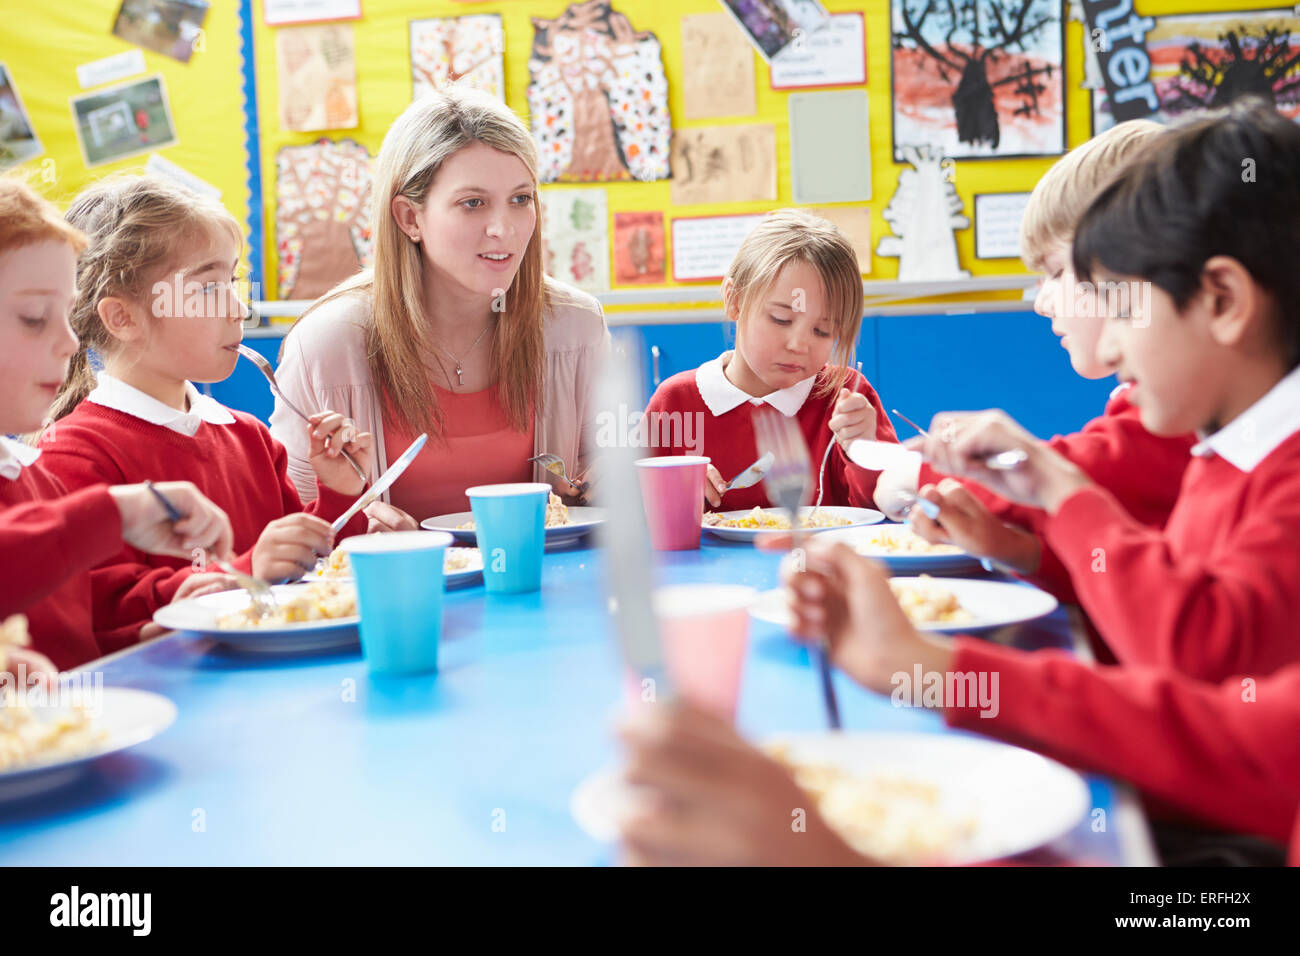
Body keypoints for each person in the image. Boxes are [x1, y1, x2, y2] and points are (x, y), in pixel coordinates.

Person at [38, 174, 374, 648]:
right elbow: (102, 614)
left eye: (233, 281)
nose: (240, 309)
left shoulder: (249, 437)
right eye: (208, 289)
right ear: (124, 317)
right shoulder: (74, 456)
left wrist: (340, 496)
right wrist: (243, 572)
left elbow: (313, 580)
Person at [874, 120, 1195, 606]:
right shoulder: (1152, 399)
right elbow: (1133, 579)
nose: (1043, 302)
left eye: (1058, 271)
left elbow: (1088, 477)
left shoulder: (1176, 410)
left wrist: (929, 478)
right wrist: (1019, 551)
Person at [270, 86, 610, 523]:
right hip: (394, 590)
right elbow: (290, 522)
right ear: (410, 218)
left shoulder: (575, 326)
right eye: (473, 204)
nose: (502, 229)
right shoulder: (326, 343)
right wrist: (352, 529)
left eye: (521, 199)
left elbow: (607, 471)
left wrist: (615, 479)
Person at [0, 176, 233, 670]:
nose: (68, 342)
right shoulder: (68, 463)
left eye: (66, 314)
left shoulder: (30, 476)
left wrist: (158, 627)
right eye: (35, 316)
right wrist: (113, 515)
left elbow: (81, 640)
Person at [643, 209, 897, 510]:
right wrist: (671, 487)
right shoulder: (676, 402)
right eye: (781, 319)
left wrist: (866, 451)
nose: (799, 345)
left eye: (822, 330)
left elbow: (890, 507)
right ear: (735, 300)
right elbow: (627, 509)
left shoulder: (848, 397)